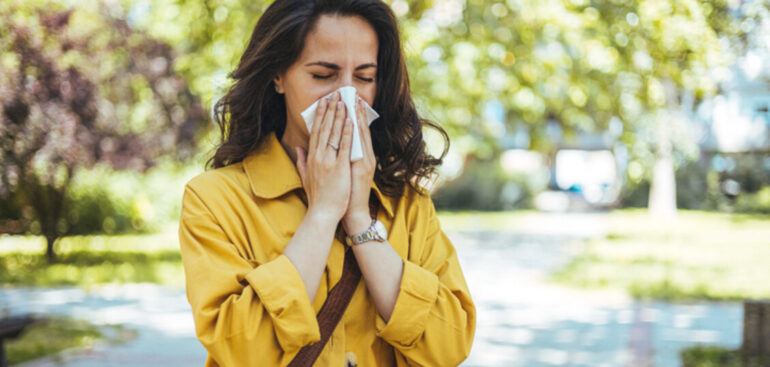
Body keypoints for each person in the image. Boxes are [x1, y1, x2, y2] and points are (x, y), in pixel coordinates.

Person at [178, 0, 476, 366]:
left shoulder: (407, 204)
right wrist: (322, 214)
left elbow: (451, 345)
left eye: (364, 77)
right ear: (278, 76)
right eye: (323, 75)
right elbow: (240, 349)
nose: (345, 96)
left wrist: (358, 218)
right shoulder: (215, 199)